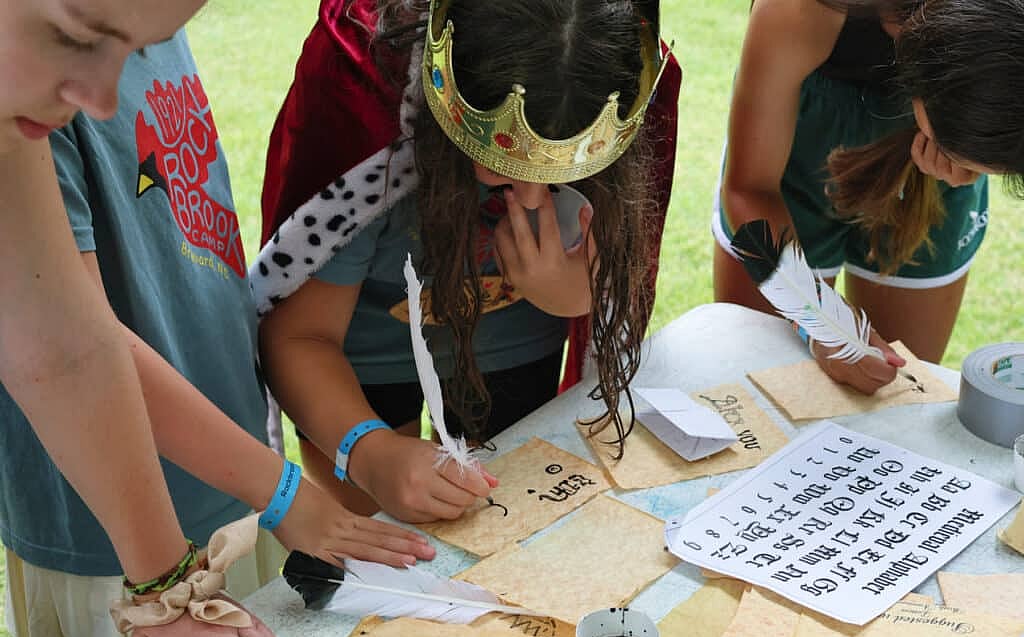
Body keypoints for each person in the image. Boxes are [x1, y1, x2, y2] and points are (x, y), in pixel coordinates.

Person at [0, 3, 434, 637]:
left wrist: (167, 581)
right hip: (111, 491)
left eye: (148, 44)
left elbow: (65, 336)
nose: (103, 97)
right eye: (75, 36)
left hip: (213, 483)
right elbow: (66, 338)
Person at [255, 0, 681, 521]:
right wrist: (370, 452)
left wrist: (578, 296)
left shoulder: (614, 73)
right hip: (355, 364)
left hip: (515, 353)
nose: (529, 197)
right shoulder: (363, 98)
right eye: (504, 167)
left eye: (561, 173)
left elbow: (617, 281)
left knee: (507, 520)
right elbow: (298, 336)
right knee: (372, 530)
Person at [711, 0, 1021, 395]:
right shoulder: (799, 11)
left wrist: (965, 161)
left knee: (898, 394)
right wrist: (817, 317)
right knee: (760, 386)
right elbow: (748, 189)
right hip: (797, 144)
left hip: (933, 145)